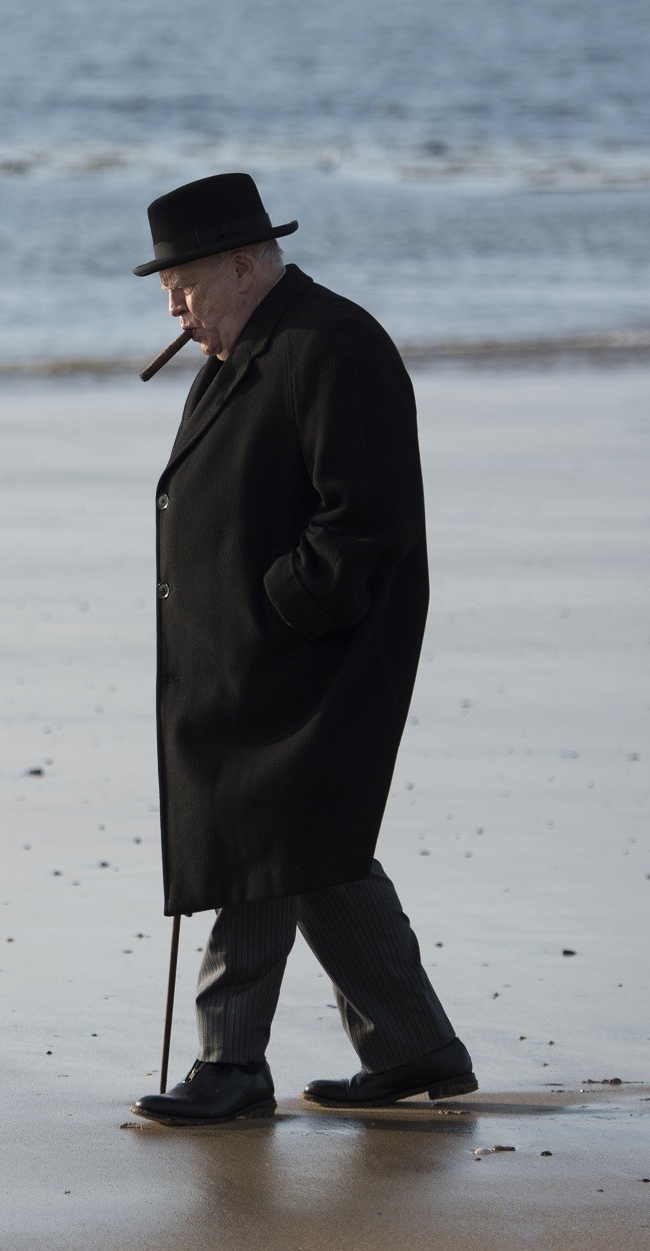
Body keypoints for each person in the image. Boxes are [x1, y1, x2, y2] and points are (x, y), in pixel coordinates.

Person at [126, 173, 474, 1127]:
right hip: (259, 654)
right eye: (165, 289)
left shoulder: (332, 345)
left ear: (244, 267)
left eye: (183, 284)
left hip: (315, 657)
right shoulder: (244, 350)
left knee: (264, 836)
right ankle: (413, 1042)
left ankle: (230, 1062)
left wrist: (279, 611)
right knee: (315, 845)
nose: (173, 307)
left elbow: (364, 519)